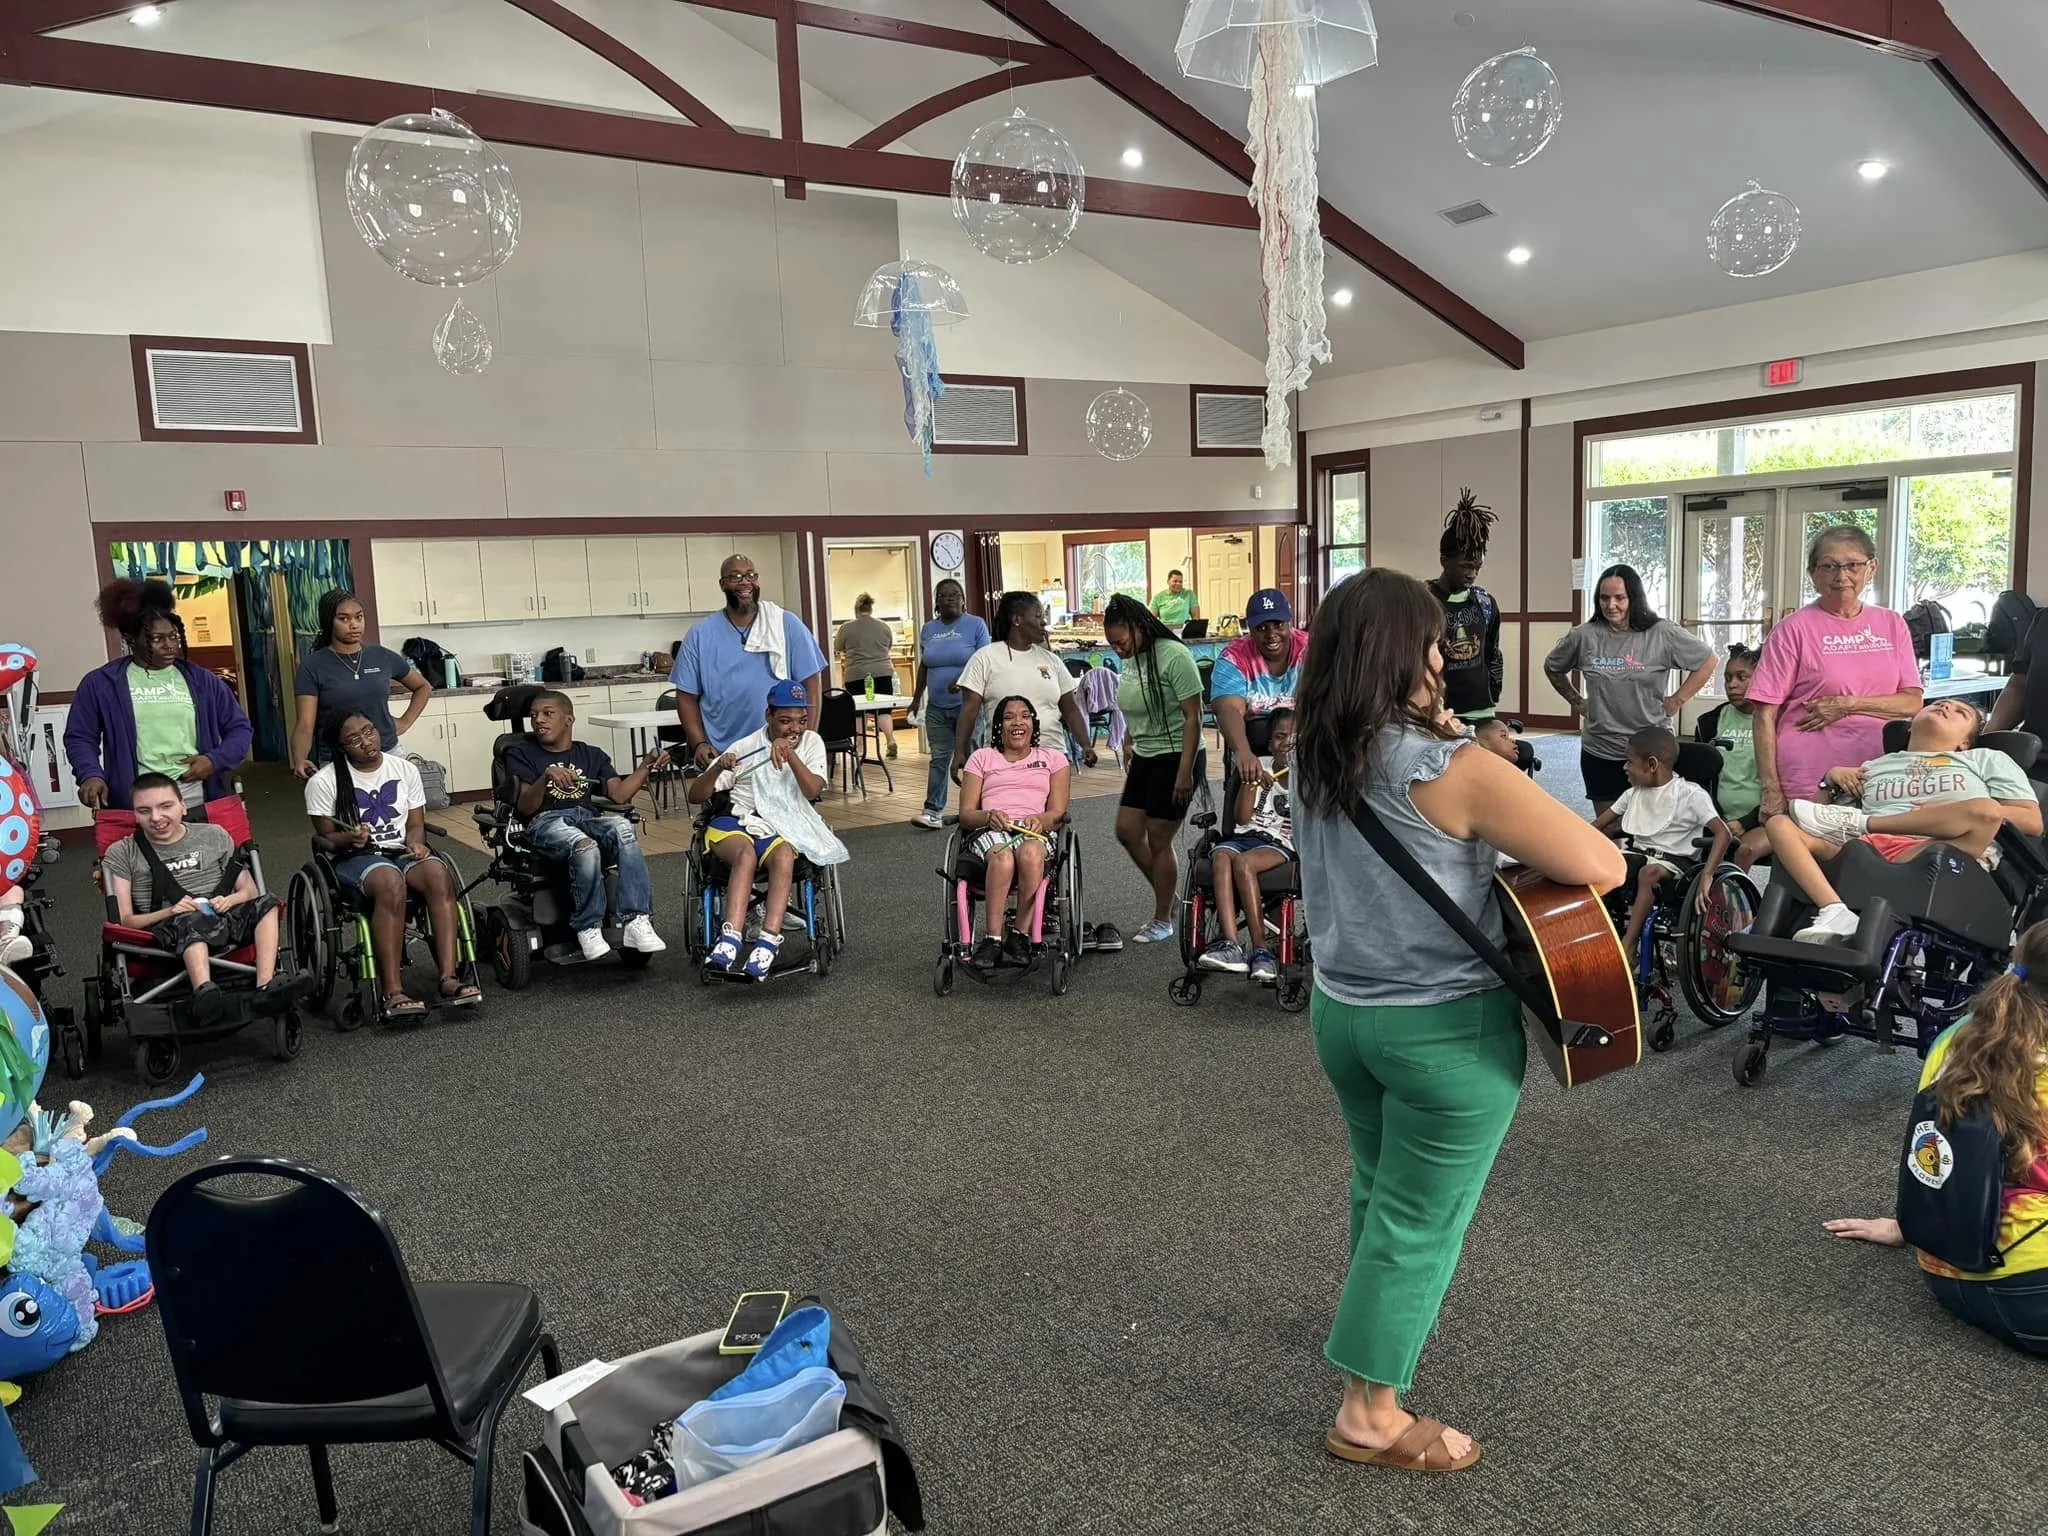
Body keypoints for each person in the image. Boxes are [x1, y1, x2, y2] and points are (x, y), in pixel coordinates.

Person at [1293, 567, 1624, 1474]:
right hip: (1442, 1029)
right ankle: (1368, 1414)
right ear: (1406, 655)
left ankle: (1366, 1339)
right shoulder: (1456, 767)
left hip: (1343, 1015)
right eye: (1435, 641)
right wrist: (1459, 747)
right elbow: (1603, 863)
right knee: (1420, 1216)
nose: (1445, 654)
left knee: (1380, 1185)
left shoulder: (1314, 748)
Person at [1825, 921, 2048, 1357]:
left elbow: (1939, 1148)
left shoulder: (1961, 1036)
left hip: (1944, 1267)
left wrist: (1911, 1225)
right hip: (2029, 1289)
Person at [1764, 697, 2043, 942]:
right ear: (1910, 724)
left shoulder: (1985, 759)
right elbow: (1814, 819)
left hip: (1940, 849)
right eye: (1937, 703)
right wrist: (1828, 782)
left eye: (1961, 712)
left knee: (1985, 810)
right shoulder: (1872, 767)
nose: (1946, 706)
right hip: (1868, 849)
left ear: (1965, 742)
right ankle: (1835, 910)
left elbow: (2032, 821)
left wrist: (1945, 811)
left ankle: (1865, 822)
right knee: (1779, 824)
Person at [304, 709, 477, 1019]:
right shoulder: (323, 781)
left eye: (369, 731)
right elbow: (326, 839)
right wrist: (350, 838)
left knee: (439, 874)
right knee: (389, 881)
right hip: (354, 859)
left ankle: (448, 978)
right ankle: (393, 991)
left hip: (401, 852)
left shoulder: (404, 769)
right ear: (341, 747)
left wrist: (417, 843)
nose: (366, 741)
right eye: (354, 739)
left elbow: (415, 824)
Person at [1746, 525, 1922, 826]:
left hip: (1879, 772)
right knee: (1811, 861)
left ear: (1872, 568)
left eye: (1853, 565)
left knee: (1873, 859)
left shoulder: (1891, 624)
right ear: (1813, 574)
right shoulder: (1792, 630)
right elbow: (1764, 715)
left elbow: (1912, 702)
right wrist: (1770, 789)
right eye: (1828, 567)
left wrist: (1848, 704)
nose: (1841, 577)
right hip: (1810, 772)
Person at [103, 772, 294, 1022]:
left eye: (166, 806)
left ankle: (265, 985)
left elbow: (250, 891)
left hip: (222, 917)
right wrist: (170, 912)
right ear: (134, 815)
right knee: (189, 920)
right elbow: (125, 921)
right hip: (169, 929)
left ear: (183, 806)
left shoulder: (213, 835)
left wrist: (231, 900)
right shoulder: (123, 852)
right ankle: (204, 991)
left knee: (268, 902)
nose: (156, 817)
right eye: (144, 811)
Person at [505, 691, 668, 962]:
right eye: (534, 715)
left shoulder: (591, 755)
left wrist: (646, 765)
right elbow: (524, 807)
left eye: (548, 713)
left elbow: (619, 795)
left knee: (622, 828)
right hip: (544, 822)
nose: (538, 721)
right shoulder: (521, 753)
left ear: (568, 719)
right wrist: (546, 778)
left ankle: (637, 920)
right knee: (584, 845)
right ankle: (588, 926)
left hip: (585, 817)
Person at [1543, 564, 1717, 817]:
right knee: (1610, 826)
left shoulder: (1661, 632)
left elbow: (1708, 660)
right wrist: (1577, 701)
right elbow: (1553, 667)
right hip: (1601, 747)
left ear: (1633, 598)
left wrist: (1678, 700)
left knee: (1651, 822)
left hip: (1651, 749)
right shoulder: (1584, 636)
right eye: (1604, 598)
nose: (1611, 605)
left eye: (1619, 598)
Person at [66, 579, 253, 811]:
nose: (169, 646)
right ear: (130, 638)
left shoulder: (201, 680)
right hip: (135, 799)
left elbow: (240, 728)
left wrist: (214, 760)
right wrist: (90, 774)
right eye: (157, 639)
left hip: (195, 796)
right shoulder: (102, 684)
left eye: (173, 636)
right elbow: (80, 736)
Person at [692, 678, 827, 982]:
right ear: (768, 715)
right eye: (785, 721)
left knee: (783, 855)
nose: (795, 728)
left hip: (780, 824)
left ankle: (768, 942)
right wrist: (716, 767)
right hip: (735, 821)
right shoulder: (747, 746)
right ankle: (730, 939)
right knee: (746, 853)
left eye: (801, 721)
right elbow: (696, 796)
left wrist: (789, 753)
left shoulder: (811, 744)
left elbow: (812, 790)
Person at [1103, 594, 1205, 946]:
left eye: (1121, 641)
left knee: (1159, 838)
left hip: (1179, 755)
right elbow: (1136, 701)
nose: (1118, 650)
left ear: (1138, 627)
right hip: (1147, 755)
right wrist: (1130, 737)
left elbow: (1194, 716)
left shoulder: (1173, 656)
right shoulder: (1133, 659)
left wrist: (1185, 772)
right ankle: (1170, 896)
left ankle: (1163, 918)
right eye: (1112, 644)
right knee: (1128, 831)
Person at [1593, 726, 1737, 957]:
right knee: (1599, 867)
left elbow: (1723, 834)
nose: (1624, 767)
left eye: (1629, 762)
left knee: (1648, 874)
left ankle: (1628, 945)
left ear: (1652, 765)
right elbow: (1598, 826)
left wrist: (1708, 876)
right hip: (1639, 855)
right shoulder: (1632, 794)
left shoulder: (1691, 795)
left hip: (1677, 863)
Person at [671, 554, 826, 765]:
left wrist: (808, 741)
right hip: (724, 754)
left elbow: (812, 682)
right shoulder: (700, 634)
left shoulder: (785, 624)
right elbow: (686, 695)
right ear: (722, 584)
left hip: (781, 750)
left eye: (750, 575)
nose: (745, 582)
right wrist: (699, 743)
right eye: (735, 577)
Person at [958, 697, 1071, 968]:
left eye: (1024, 716)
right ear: (998, 725)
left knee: (1031, 853)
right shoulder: (981, 758)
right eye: (1009, 717)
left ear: (1033, 723)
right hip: (992, 829)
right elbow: (966, 814)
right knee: (1003, 857)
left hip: (1035, 829)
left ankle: (1019, 934)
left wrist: (1041, 820)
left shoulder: (1053, 759)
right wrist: (989, 815)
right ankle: (993, 938)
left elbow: (1058, 813)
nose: (1017, 722)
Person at [951, 592, 1098, 782]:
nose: (1043, 622)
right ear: (1017, 620)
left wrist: (1086, 744)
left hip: (1052, 758)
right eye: (1038, 616)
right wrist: (960, 752)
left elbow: (1070, 709)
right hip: (1003, 760)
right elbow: (969, 711)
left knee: (1052, 812)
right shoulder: (985, 658)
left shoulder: (1052, 661)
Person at [291, 590, 433, 778]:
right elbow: (305, 725)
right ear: (328, 622)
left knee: (398, 806)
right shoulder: (312, 666)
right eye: (344, 619)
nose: (354, 625)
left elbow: (423, 687)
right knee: (347, 808)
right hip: (338, 760)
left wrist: (406, 721)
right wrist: (299, 758)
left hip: (387, 753)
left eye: (359, 617)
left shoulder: (381, 656)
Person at [1199, 707, 1295, 979]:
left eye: (1293, 737)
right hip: (1245, 836)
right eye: (1279, 736)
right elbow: (1241, 818)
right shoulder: (1257, 765)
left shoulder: (1308, 774)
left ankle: (1261, 949)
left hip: (1280, 842)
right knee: (1220, 856)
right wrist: (1252, 784)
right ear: (1269, 743)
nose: (1286, 742)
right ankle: (1230, 944)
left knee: (1243, 863)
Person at [908, 579, 990, 831]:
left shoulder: (976, 625)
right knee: (940, 758)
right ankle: (933, 810)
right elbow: (924, 665)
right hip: (936, 708)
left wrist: (962, 680)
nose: (949, 599)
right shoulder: (929, 629)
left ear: (963, 598)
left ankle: (978, 809)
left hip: (968, 706)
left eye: (954, 595)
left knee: (973, 757)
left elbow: (983, 660)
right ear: (936, 601)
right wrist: (915, 698)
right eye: (943, 596)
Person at [1212, 587, 1307, 793]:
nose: (1271, 634)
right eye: (1262, 628)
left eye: (1278, 625)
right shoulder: (1233, 657)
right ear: (1250, 629)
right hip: (1253, 749)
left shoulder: (1311, 650)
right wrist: (1244, 753)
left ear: (1289, 622)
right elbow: (1227, 709)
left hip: (1305, 749)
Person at [1693, 643, 1771, 867]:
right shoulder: (1709, 722)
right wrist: (1715, 818)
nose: (1732, 685)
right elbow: (1701, 780)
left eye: (1741, 677)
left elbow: (1785, 784)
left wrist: (1745, 822)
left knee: (1743, 853)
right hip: (1716, 816)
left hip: (1763, 817)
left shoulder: (1778, 722)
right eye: (1727, 678)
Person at [1430, 489, 1503, 723]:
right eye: (1465, 566)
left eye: (1477, 567)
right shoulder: (1425, 602)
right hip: (1441, 711)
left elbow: (1491, 653)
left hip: (1482, 709)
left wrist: (1494, 692)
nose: (1472, 574)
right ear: (1444, 561)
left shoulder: (1485, 603)